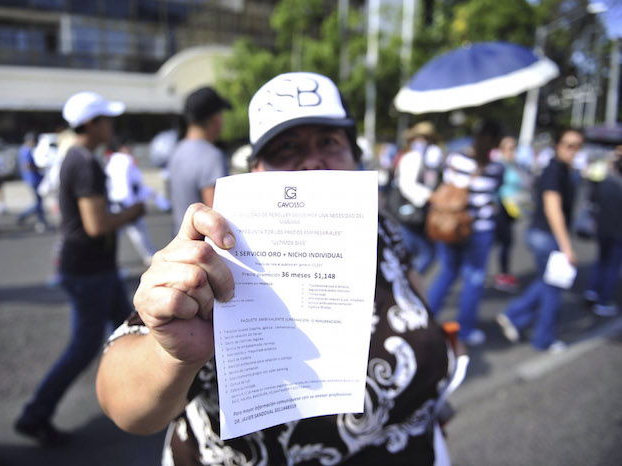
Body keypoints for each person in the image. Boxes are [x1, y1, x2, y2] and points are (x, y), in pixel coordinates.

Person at [96, 72, 460, 465]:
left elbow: (417, 305)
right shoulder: (224, 254)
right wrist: (171, 354)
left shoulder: (382, 230)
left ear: (354, 157)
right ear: (257, 170)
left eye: (329, 142)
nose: (311, 162)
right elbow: (126, 408)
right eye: (285, 148)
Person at [14, 91, 145, 446]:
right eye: (106, 119)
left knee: (131, 327)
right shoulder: (83, 162)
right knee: (86, 346)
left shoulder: (76, 157)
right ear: (91, 124)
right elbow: (96, 225)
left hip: (92, 267)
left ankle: (148, 395)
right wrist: (132, 213)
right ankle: (35, 414)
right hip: (88, 269)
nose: (111, 125)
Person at [497, 128, 584, 353]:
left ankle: (513, 315)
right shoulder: (554, 170)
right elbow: (553, 209)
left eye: (577, 146)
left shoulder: (563, 169)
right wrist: (567, 247)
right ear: (558, 145)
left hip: (543, 234)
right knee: (553, 290)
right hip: (546, 236)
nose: (573, 150)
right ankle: (543, 338)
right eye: (569, 145)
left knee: (546, 283)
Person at [426, 120, 504, 346]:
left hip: (449, 224)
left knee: (447, 273)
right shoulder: (495, 167)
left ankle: (426, 320)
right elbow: (491, 195)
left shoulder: (455, 158)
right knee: (474, 278)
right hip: (478, 229)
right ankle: (466, 329)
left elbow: (447, 180)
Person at [168, 86, 230, 236]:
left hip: (181, 241)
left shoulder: (176, 151)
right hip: (204, 249)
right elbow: (216, 214)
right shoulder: (212, 156)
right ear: (214, 118)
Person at [389, 121, 443, 273]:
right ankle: (408, 287)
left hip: (414, 214)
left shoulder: (426, 159)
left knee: (412, 255)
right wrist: (430, 196)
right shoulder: (413, 157)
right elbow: (408, 186)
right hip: (408, 213)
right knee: (424, 255)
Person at [582, 146, 622, 317]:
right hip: (617, 233)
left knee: (601, 262)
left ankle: (592, 291)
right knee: (612, 267)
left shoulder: (604, 183)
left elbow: (592, 204)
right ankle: (603, 301)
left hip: (602, 230)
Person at [105, 140, 158, 266]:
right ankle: (151, 256)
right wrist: (132, 206)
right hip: (127, 203)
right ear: (122, 147)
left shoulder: (111, 161)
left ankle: (150, 256)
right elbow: (129, 184)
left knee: (122, 234)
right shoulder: (125, 160)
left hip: (116, 203)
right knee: (138, 232)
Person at [493, 136, 529, 292]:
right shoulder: (499, 166)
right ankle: (502, 274)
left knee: (505, 242)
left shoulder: (515, 165)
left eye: (514, 147)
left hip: (512, 208)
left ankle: (503, 273)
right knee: (503, 242)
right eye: (509, 148)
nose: (512, 151)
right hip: (501, 207)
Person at [17, 132, 49, 233]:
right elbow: (28, 165)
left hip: (31, 179)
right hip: (33, 179)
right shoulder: (26, 151)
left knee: (39, 201)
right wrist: (38, 168)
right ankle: (36, 219)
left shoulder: (22, 150)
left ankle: (41, 220)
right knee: (38, 202)